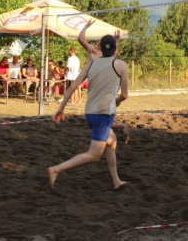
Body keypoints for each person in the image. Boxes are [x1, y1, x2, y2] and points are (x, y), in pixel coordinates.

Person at [46, 35, 129, 190]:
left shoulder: (91, 64)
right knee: (94, 155)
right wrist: (116, 102)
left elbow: (72, 87)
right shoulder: (121, 65)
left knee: (112, 142)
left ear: (100, 48)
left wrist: (61, 108)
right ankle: (56, 169)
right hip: (103, 115)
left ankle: (116, 181)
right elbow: (124, 95)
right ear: (116, 49)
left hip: (90, 114)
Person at [77, 20, 131, 143]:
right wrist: (116, 40)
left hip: (100, 85)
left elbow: (80, 39)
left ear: (100, 45)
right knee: (98, 120)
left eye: (99, 41)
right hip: (100, 85)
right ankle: (122, 127)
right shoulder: (105, 54)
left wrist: (85, 26)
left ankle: (121, 127)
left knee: (96, 119)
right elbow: (115, 51)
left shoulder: (95, 52)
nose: (97, 42)